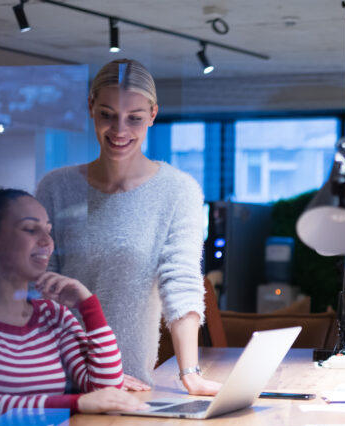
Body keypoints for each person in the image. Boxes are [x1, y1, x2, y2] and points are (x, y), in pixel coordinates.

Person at [35, 58, 218, 394]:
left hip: (132, 380)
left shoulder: (178, 191)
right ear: (90, 107)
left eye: (134, 119)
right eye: (107, 115)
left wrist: (189, 371)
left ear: (152, 115)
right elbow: (43, 291)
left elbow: (180, 282)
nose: (119, 131)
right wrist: (90, 371)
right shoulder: (56, 188)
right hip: (57, 378)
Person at [0, 189, 148, 426]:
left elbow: (105, 389)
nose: (47, 242)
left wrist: (89, 306)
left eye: (48, 231)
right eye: (31, 230)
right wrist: (79, 403)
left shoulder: (53, 314)